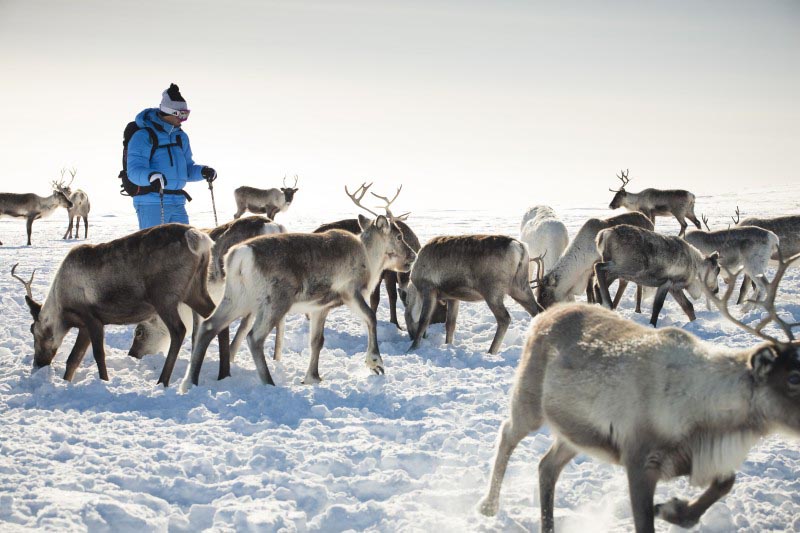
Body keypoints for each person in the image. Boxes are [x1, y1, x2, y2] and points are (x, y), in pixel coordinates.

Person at [126, 83, 216, 229]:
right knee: (155, 250)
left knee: (185, 249)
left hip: (178, 202)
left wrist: (202, 171)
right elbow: (134, 171)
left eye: (186, 114)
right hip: (151, 202)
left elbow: (186, 170)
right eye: (181, 115)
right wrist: (151, 176)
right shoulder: (143, 136)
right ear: (169, 112)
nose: (183, 119)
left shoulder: (181, 137)